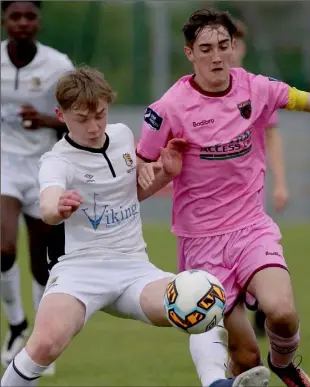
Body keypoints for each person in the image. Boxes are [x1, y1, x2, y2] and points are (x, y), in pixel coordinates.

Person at [1, 66, 270, 387]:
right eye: (82, 118)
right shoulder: (57, 161)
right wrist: (57, 208)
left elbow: (128, 196)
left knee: (204, 296)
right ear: (60, 114)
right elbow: (47, 206)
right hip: (79, 273)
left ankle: (216, 383)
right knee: (45, 345)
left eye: (99, 115)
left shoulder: (122, 137)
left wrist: (166, 173)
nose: (93, 126)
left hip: (134, 271)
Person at [136, 8, 310, 387]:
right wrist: (164, 172)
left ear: (234, 46)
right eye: (206, 48)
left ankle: (285, 363)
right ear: (189, 53)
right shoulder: (167, 109)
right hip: (200, 243)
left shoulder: (257, 88)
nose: (217, 56)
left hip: (250, 230)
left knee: (283, 312)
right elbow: (136, 188)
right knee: (244, 356)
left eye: (224, 45)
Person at [1, 0, 74, 375]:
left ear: (39, 21)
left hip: (46, 167)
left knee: (44, 266)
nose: (23, 22)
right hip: (5, 166)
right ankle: (15, 326)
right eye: (15, 15)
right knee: (3, 245)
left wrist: (46, 119)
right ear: (4, 20)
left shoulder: (58, 65)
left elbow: (79, 116)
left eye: (30, 15)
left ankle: (36, 341)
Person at [231, 20, 289, 337]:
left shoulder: (258, 89)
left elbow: (273, 137)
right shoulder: (198, 91)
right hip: (216, 200)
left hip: (252, 190)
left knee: (256, 245)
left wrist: (280, 183)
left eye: (234, 44)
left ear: (242, 48)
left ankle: (258, 305)